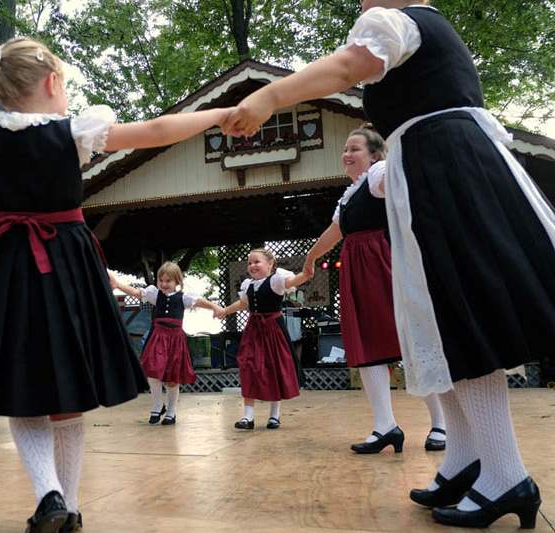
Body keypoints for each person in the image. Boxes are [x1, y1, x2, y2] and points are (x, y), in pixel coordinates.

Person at [0, 37, 233, 532]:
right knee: (66, 390)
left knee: (23, 386)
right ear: (52, 82)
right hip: (65, 263)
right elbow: (155, 130)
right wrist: (219, 115)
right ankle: (66, 502)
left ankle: (50, 497)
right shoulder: (73, 132)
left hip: (4, 265)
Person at [223, 1, 552, 528]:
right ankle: (468, 459)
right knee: (448, 325)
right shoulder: (423, 30)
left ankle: (506, 474)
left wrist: (269, 95)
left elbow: (347, 66)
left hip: (441, 168)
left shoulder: (397, 21)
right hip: (440, 166)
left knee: (461, 322)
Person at [302, 124, 446, 454]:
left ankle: (442, 422)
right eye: (345, 150)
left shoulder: (380, 173)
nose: (347, 154)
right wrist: (310, 257)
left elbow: (400, 185)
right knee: (365, 345)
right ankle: (385, 426)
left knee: (410, 339)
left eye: (355, 149)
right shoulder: (349, 196)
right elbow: (335, 231)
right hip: (356, 267)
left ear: (374, 155)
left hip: (384, 263)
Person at [110, 262, 222, 425]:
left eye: (168, 281)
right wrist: (118, 284)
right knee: (152, 372)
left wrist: (215, 307)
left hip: (175, 340)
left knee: (171, 377)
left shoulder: (184, 297)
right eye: (161, 280)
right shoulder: (155, 295)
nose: (163, 284)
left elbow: (200, 302)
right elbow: (136, 292)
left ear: (177, 281)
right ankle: (157, 405)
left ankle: (171, 411)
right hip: (158, 338)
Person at [215, 249, 307, 430]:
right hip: (254, 330)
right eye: (249, 263)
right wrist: (225, 311)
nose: (252, 266)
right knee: (248, 367)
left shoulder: (277, 280)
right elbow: (242, 304)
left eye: (257, 262)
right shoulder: (248, 284)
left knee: (274, 368)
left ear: (270, 263)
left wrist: (307, 272)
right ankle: (248, 417)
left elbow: (295, 280)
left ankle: (274, 415)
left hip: (273, 329)